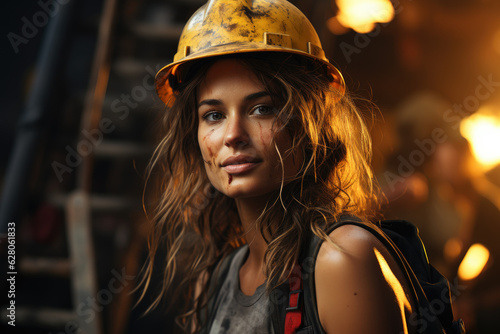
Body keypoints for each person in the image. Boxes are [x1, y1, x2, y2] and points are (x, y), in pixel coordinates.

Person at [140, 0, 417, 333]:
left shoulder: (341, 260)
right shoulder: (214, 281)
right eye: (213, 115)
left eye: (262, 109)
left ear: (309, 123)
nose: (233, 135)